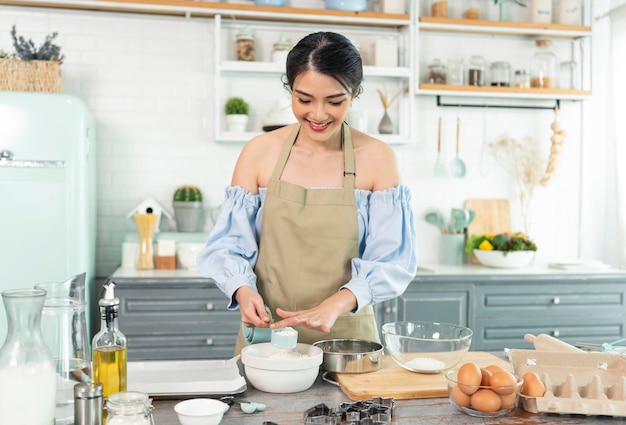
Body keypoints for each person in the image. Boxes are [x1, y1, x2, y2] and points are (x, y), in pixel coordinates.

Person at [197, 31, 417, 355]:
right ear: (290, 90)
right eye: (304, 99)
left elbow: (391, 260)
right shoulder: (259, 152)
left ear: (354, 94)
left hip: (346, 341)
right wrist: (242, 290)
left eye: (335, 101)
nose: (318, 114)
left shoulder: (378, 159)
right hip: (266, 336)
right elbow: (229, 243)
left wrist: (334, 305)